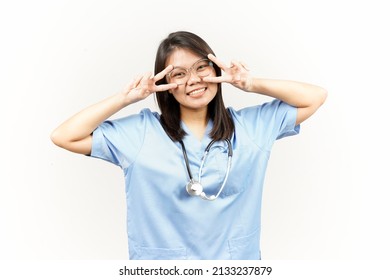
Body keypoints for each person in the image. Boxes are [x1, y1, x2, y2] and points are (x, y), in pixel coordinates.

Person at [51, 31, 327, 260]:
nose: (193, 80)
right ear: (166, 85)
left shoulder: (252, 127)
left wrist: (250, 83)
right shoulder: (140, 132)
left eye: (201, 68)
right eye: (179, 74)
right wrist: (125, 98)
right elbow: (65, 136)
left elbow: (315, 97)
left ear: (215, 69)